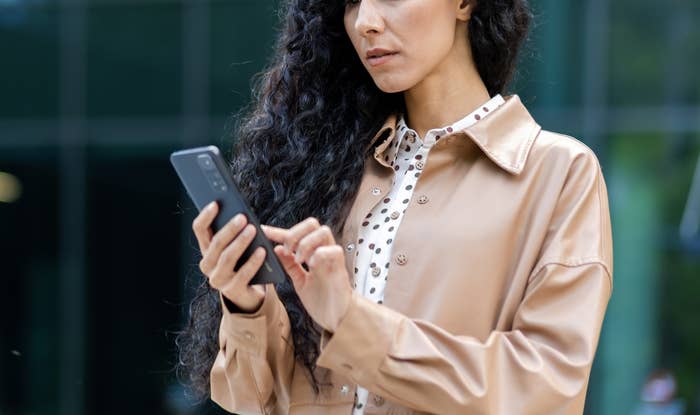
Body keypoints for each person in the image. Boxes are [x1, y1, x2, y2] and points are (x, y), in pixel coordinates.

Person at [176, 0, 614, 414]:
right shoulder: (324, 171)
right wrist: (246, 304)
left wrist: (351, 322)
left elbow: (544, 391)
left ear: (464, 3)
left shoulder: (558, 173)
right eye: (350, 0)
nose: (365, 20)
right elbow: (249, 399)